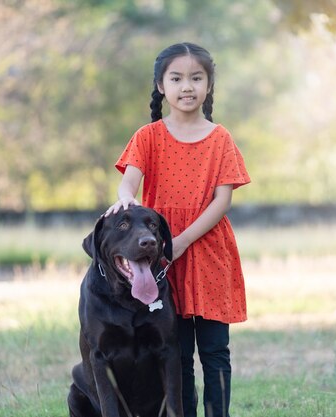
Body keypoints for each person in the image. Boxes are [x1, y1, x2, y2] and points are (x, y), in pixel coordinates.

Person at [105, 42, 250, 417]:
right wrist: (125, 200)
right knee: (177, 352)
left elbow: (222, 202)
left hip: (208, 252)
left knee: (216, 350)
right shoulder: (148, 136)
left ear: (208, 85)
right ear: (160, 85)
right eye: (177, 78)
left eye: (196, 78)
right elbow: (128, 184)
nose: (187, 86)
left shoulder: (220, 139)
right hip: (160, 257)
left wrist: (182, 240)